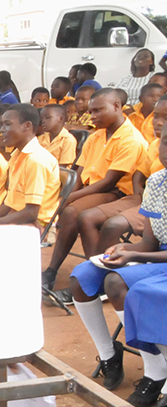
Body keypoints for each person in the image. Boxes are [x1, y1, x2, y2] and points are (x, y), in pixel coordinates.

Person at [69, 131, 167, 404]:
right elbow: (149, 242)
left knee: (116, 282)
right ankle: (109, 354)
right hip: (158, 256)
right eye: (165, 140)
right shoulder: (158, 181)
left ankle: (156, 369)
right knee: (83, 276)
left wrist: (133, 257)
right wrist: (124, 249)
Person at [42, 88, 148, 293]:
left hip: (119, 192)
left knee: (74, 211)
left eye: (98, 110)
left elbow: (109, 182)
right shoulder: (96, 136)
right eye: (91, 112)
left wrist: (70, 197)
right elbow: (80, 173)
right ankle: (53, 272)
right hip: (96, 190)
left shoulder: (131, 139)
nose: (92, 117)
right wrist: (68, 196)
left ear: (117, 107)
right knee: (68, 208)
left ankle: (92, 276)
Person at [80, 94, 167, 253]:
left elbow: (109, 181)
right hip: (145, 199)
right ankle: (95, 267)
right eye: (156, 116)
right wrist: (137, 188)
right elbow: (140, 171)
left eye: (165, 117)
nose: (159, 122)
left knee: (113, 225)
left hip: (158, 205)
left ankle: (104, 267)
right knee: (87, 217)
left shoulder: (132, 139)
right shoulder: (156, 145)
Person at [0, 104, 61, 227]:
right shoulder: (17, 155)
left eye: (7, 124)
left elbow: (31, 213)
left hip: (36, 225)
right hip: (16, 218)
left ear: (27, 126)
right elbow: (9, 205)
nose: (2, 129)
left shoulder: (36, 160)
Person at [38, 103, 78, 167]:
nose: (43, 121)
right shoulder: (41, 139)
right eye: (42, 119)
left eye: (47, 118)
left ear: (61, 119)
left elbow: (63, 167)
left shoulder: (68, 140)